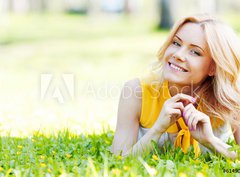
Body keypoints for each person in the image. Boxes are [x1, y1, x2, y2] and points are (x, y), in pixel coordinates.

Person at [111, 14, 240, 159]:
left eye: (195, 52)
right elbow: (119, 160)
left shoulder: (232, 98)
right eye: (176, 43)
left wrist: (210, 142)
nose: (178, 54)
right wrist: (158, 129)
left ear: (214, 68)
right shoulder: (136, 92)